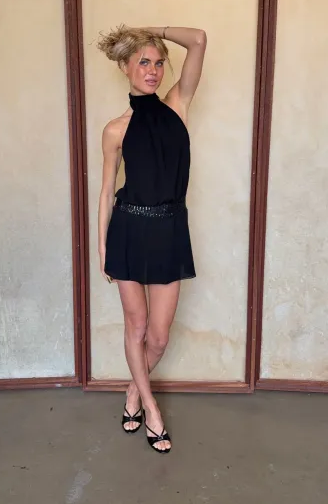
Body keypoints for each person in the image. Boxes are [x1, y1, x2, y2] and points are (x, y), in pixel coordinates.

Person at [97, 25, 206, 454]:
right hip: (127, 231)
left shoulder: (178, 105)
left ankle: (133, 391)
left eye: (159, 63)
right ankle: (152, 410)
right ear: (125, 67)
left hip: (169, 230)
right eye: (143, 61)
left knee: (158, 337)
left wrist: (152, 30)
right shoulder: (115, 129)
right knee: (137, 326)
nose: (153, 70)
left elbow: (198, 39)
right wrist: (102, 247)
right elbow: (107, 190)